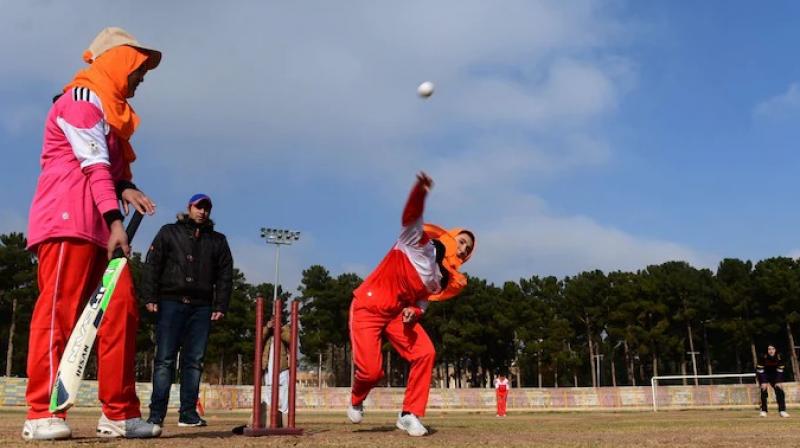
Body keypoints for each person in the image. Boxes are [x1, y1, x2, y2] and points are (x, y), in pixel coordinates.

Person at [22, 27, 162, 440]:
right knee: (58, 314)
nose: (141, 78)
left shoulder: (112, 113)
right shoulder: (81, 101)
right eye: (137, 68)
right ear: (117, 61)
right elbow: (93, 166)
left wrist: (127, 189)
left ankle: (119, 414)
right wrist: (117, 221)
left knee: (122, 312)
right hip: (68, 222)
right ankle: (41, 414)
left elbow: (112, 172)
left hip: (101, 224)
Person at [347, 172, 476, 437]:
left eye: (468, 249)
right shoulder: (417, 242)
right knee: (372, 372)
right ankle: (357, 398)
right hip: (368, 307)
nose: (463, 249)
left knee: (425, 353)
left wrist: (415, 311)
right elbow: (411, 216)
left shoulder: (442, 280)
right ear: (450, 237)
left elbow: (423, 302)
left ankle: (409, 414)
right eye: (462, 241)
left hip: (397, 315)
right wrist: (421, 191)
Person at [142, 194, 234, 427]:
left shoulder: (218, 240)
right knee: (164, 360)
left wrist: (221, 304)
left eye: (206, 208)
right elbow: (152, 263)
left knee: (194, 361)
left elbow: (225, 275)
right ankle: (156, 414)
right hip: (170, 302)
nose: (202, 212)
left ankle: (188, 413)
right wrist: (150, 296)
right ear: (189, 207)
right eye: (198, 207)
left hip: (201, 306)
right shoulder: (168, 232)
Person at [757, 344, 789, 418]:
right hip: (764, 374)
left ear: (776, 349)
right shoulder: (762, 356)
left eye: (773, 349)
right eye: (769, 349)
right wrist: (764, 382)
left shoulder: (780, 356)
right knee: (763, 390)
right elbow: (760, 370)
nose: (771, 351)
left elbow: (780, 370)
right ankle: (763, 410)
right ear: (767, 350)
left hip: (775, 375)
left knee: (780, 391)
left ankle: (782, 411)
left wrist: (778, 381)